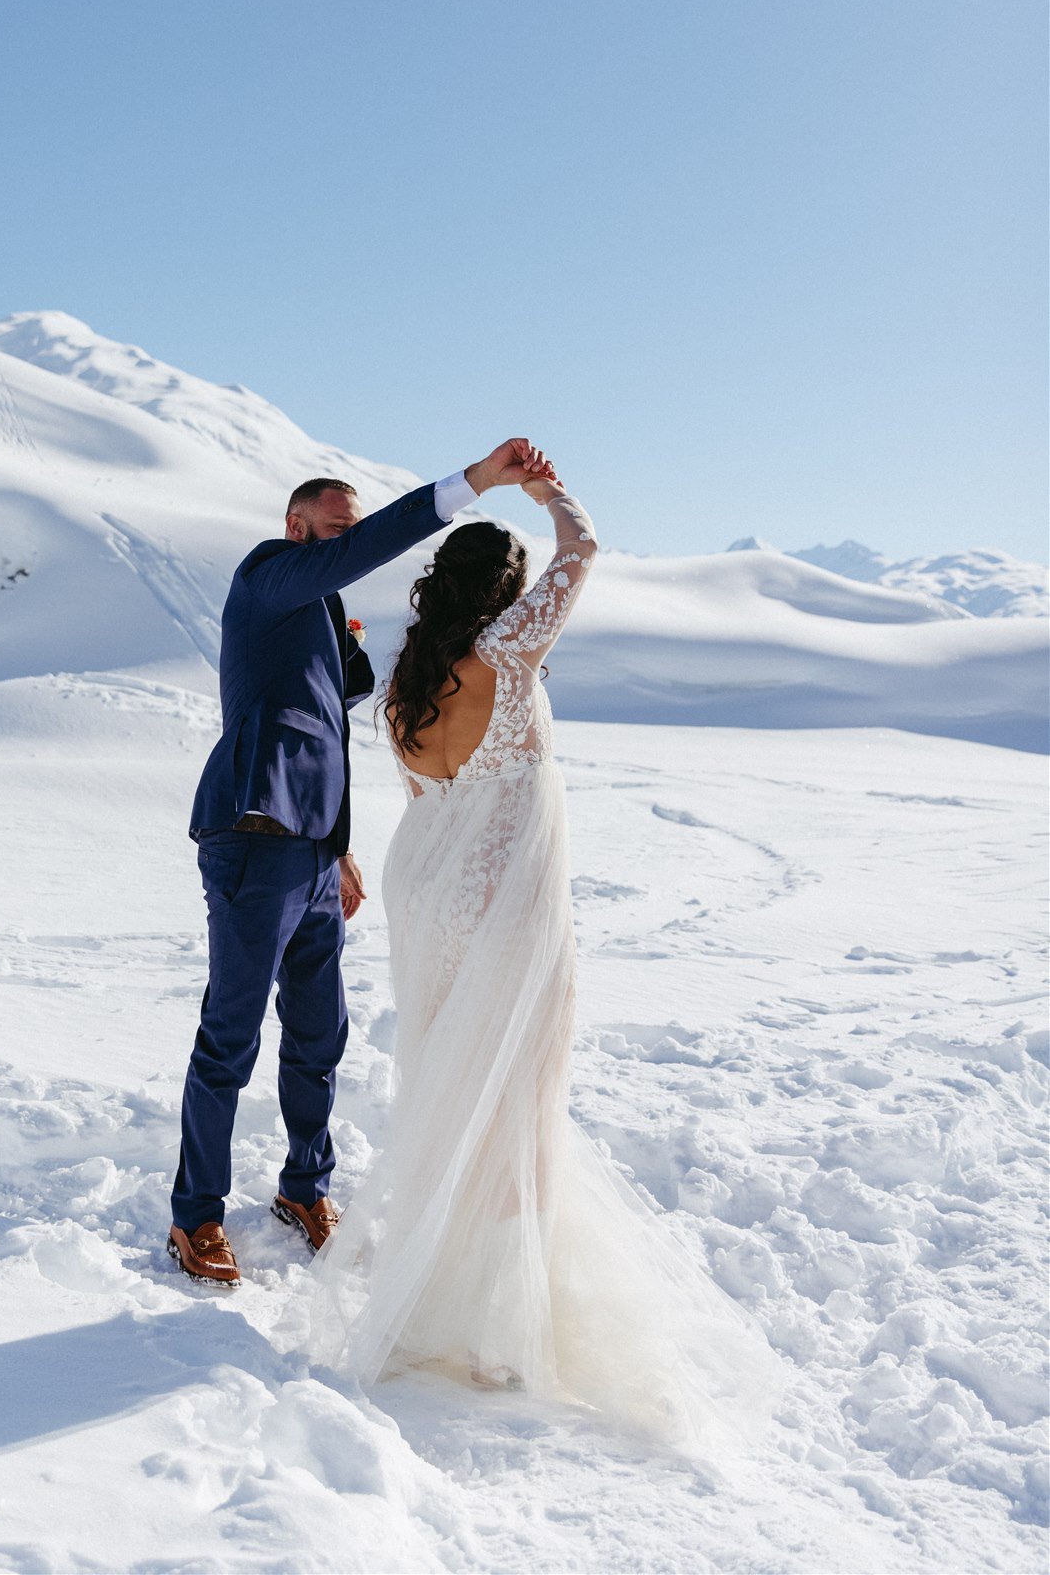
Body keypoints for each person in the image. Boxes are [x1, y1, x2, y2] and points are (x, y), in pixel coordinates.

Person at [308, 461, 786, 1459]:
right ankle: (494, 1334)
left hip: (423, 890)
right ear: (503, 591)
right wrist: (550, 492)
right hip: (501, 904)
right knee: (515, 1099)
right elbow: (584, 551)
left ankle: (431, 1306)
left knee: (445, 1087)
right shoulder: (507, 649)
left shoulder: (406, 677)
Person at [168, 437, 557, 1286]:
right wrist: (473, 485)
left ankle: (304, 1191)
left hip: (310, 853)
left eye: (344, 529)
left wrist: (338, 853)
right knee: (230, 1036)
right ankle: (194, 1216)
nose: (337, 542)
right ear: (294, 527)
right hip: (251, 838)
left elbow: (326, 733)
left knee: (320, 1035)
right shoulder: (266, 577)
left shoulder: (316, 611)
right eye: (327, 529)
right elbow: (345, 567)